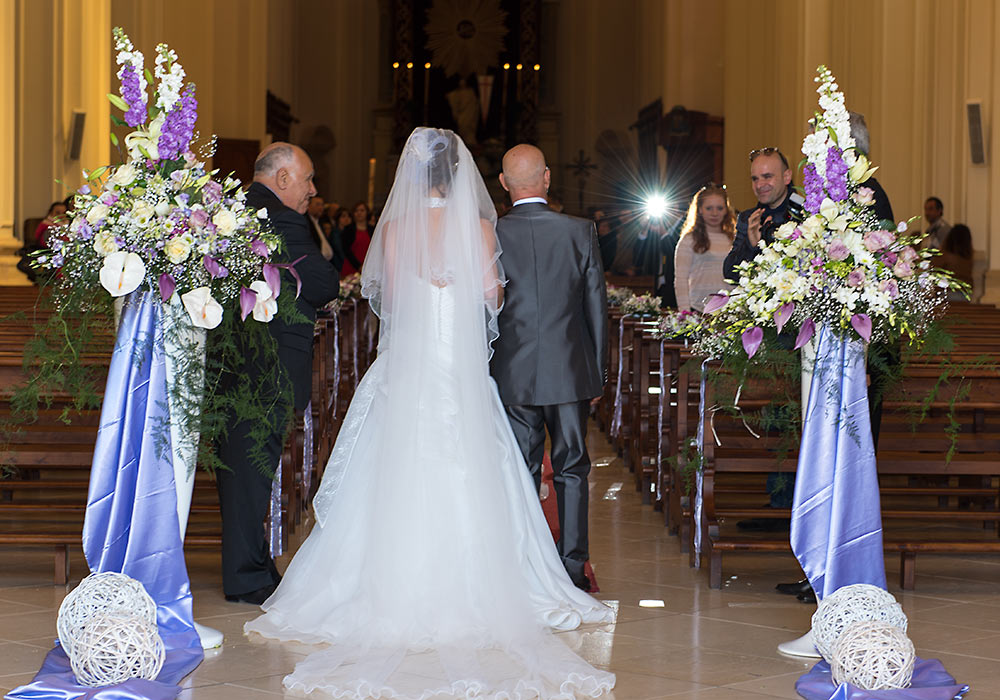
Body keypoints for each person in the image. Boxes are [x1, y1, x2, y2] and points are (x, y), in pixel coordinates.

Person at [245, 129, 615, 698]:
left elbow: (387, 298)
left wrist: (427, 284)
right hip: (460, 366)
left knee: (397, 463)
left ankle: (389, 582)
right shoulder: (481, 227)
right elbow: (494, 297)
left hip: (412, 364)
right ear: (461, 177)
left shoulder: (392, 232)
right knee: (473, 462)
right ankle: (489, 585)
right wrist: (463, 286)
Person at [215, 143, 338, 605]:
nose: (313, 190)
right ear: (283, 179)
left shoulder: (236, 211)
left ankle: (253, 564)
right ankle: (246, 577)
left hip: (235, 363)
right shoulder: (281, 219)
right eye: (307, 179)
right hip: (263, 367)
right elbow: (323, 284)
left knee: (246, 473)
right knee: (249, 471)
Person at [492, 143, 608, 592]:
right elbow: (595, 307)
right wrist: (596, 371)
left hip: (511, 372)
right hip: (568, 370)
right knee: (572, 468)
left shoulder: (491, 234)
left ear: (503, 184)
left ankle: (523, 564)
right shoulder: (580, 231)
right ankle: (573, 567)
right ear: (546, 177)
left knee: (518, 469)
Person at [723, 147, 800, 283]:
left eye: (767, 176)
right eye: (755, 179)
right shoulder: (749, 219)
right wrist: (750, 245)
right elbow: (730, 274)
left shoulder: (807, 215)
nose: (759, 185)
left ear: (786, 177)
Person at [673, 184, 735, 311]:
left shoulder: (734, 239)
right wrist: (685, 312)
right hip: (698, 308)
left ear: (726, 210)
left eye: (719, 208)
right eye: (709, 208)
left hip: (729, 310)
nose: (714, 213)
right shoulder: (689, 239)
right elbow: (681, 279)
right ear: (700, 210)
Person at [937, 223, 974, 298]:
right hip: (965, 294)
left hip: (947, 292)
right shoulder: (968, 258)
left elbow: (933, 270)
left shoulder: (944, 256)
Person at [340, 200, 372, 275]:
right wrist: (358, 266)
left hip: (368, 267)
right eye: (356, 211)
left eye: (362, 210)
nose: (359, 213)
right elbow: (346, 250)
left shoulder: (372, 229)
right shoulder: (348, 229)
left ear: (367, 213)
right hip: (351, 266)